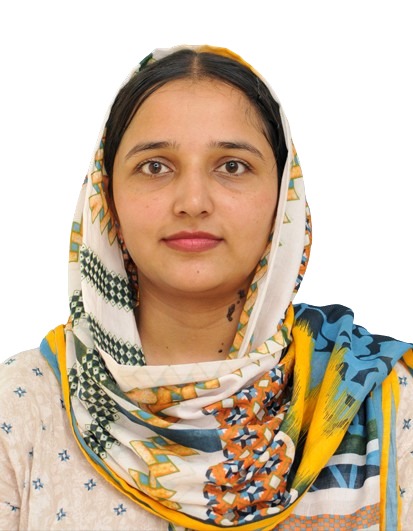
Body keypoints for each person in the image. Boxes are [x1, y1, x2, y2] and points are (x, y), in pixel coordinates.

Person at [0, 45, 412, 531]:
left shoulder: (386, 400)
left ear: (284, 198)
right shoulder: (21, 409)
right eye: (155, 166)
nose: (193, 201)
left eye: (232, 166)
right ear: (107, 198)